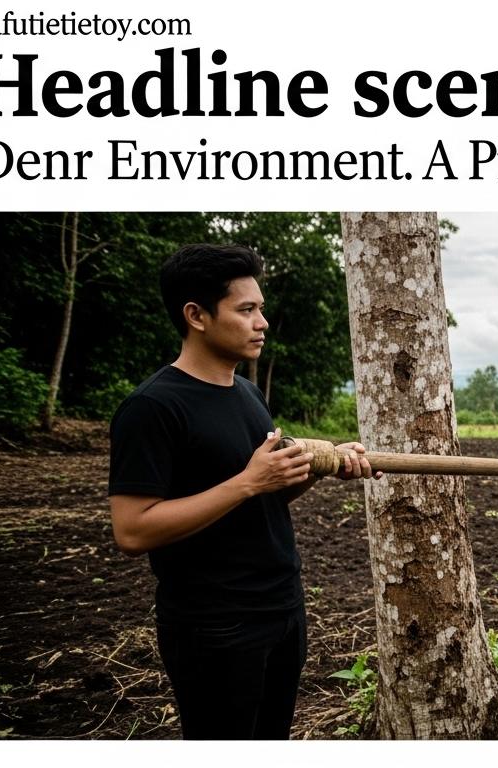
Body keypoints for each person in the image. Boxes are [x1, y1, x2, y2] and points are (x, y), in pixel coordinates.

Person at [108, 244, 378, 739]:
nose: (263, 322)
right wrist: (249, 480)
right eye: (246, 309)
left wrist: (313, 470)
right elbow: (132, 529)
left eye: (261, 308)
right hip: (215, 624)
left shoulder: (248, 394)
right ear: (196, 316)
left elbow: (259, 497)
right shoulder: (152, 408)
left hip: (282, 607)